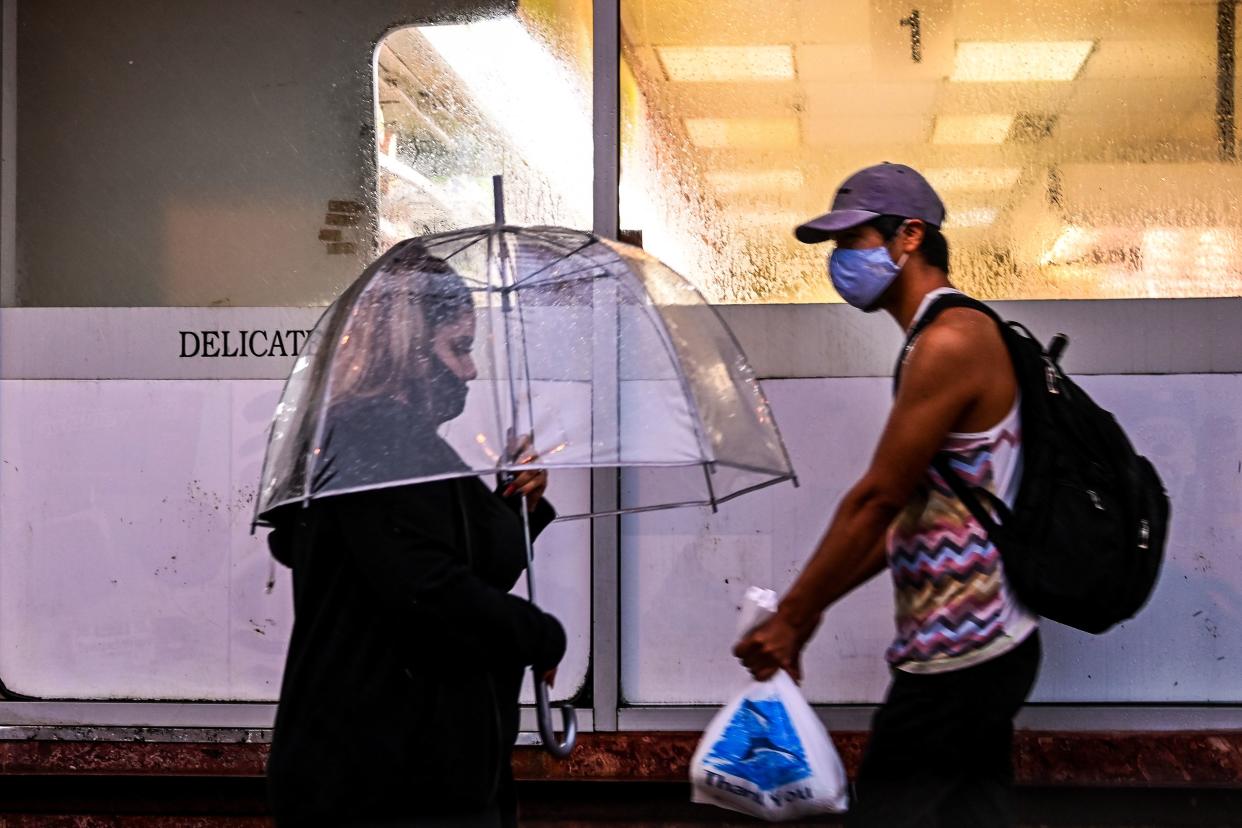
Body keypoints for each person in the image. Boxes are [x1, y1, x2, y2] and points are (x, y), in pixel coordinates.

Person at [733, 163, 1041, 828]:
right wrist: (809, 611)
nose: (842, 260)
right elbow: (910, 517)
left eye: (854, 241)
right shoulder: (939, 338)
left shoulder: (949, 341)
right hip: (982, 646)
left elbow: (876, 498)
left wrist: (791, 617)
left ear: (909, 236)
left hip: (964, 651)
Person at [263, 241, 567, 828]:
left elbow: (447, 556)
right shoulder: (376, 440)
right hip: (388, 786)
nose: (471, 369)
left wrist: (514, 505)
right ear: (408, 349)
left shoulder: (383, 444)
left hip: (395, 774)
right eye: (458, 348)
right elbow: (430, 590)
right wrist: (539, 635)